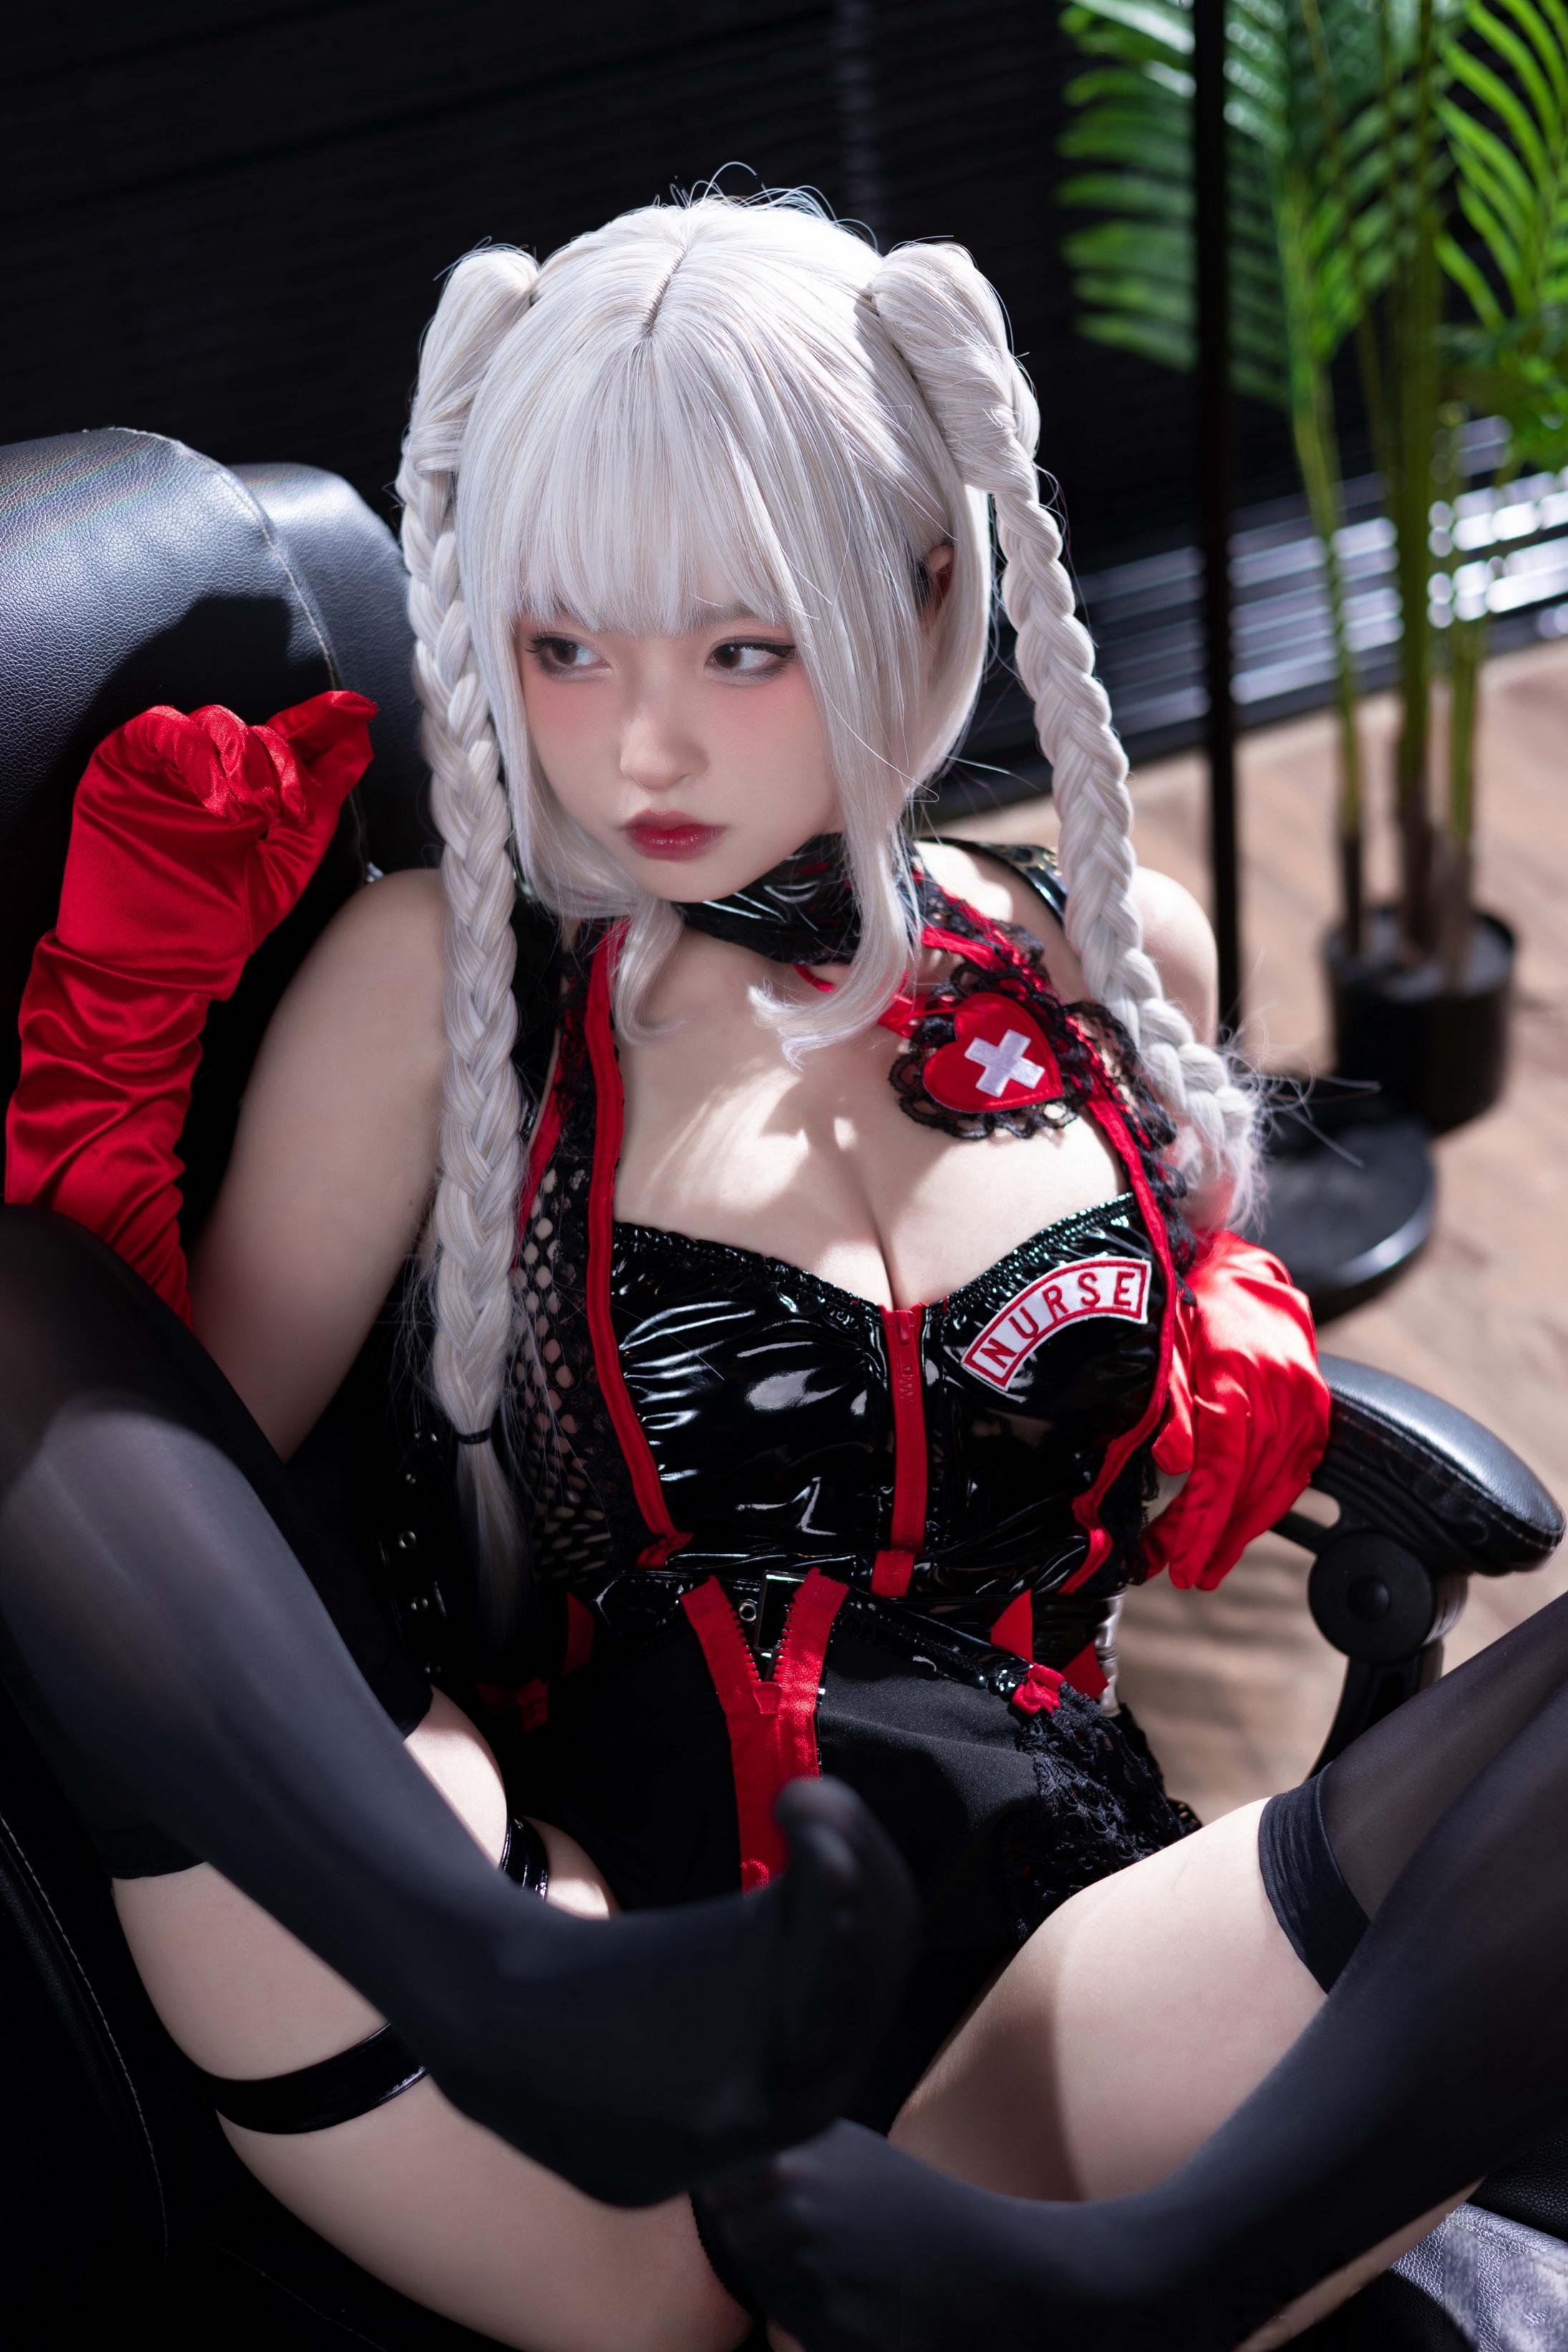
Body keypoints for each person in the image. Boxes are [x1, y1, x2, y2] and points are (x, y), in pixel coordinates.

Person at [4, 191, 1562, 2352]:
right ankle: (521, 1994)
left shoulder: (1109, 950)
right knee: (21, 1315)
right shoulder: (438, 986)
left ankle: (1164, 2278)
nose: (639, 749)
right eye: (566, 648)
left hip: (1042, 2024)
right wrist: (444, 1855)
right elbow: (212, 1515)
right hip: (572, 2024)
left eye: (738, 651)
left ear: (923, 583)